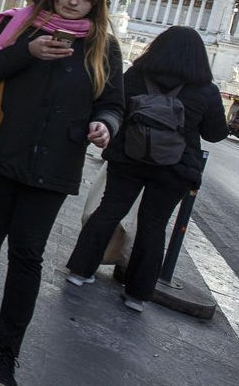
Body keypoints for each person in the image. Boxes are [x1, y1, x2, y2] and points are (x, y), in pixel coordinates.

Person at [0, 0, 124, 386]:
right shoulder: (22, 27)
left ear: (96, 1)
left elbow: (112, 102)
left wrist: (105, 124)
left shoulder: (104, 47)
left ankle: (6, 356)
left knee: (28, 256)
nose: (73, 1)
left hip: (55, 165)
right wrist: (26, 52)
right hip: (3, 153)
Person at [66, 26, 228, 312]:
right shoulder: (206, 91)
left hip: (129, 157)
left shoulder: (135, 77)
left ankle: (80, 271)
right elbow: (215, 133)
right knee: (153, 226)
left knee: (109, 210)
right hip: (175, 167)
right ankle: (137, 295)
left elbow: (117, 108)